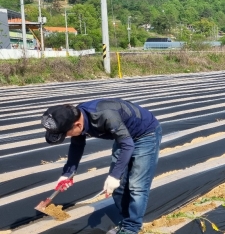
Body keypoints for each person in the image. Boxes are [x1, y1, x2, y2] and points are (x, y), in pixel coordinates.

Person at [40, 99, 162, 234]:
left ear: (78, 125)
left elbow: (128, 145)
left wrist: (115, 176)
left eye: (66, 134)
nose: (67, 137)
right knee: (119, 187)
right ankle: (127, 220)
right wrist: (68, 173)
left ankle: (131, 228)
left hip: (145, 134)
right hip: (123, 137)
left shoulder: (105, 115)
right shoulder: (76, 118)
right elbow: (77, 145)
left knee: (136, 186)